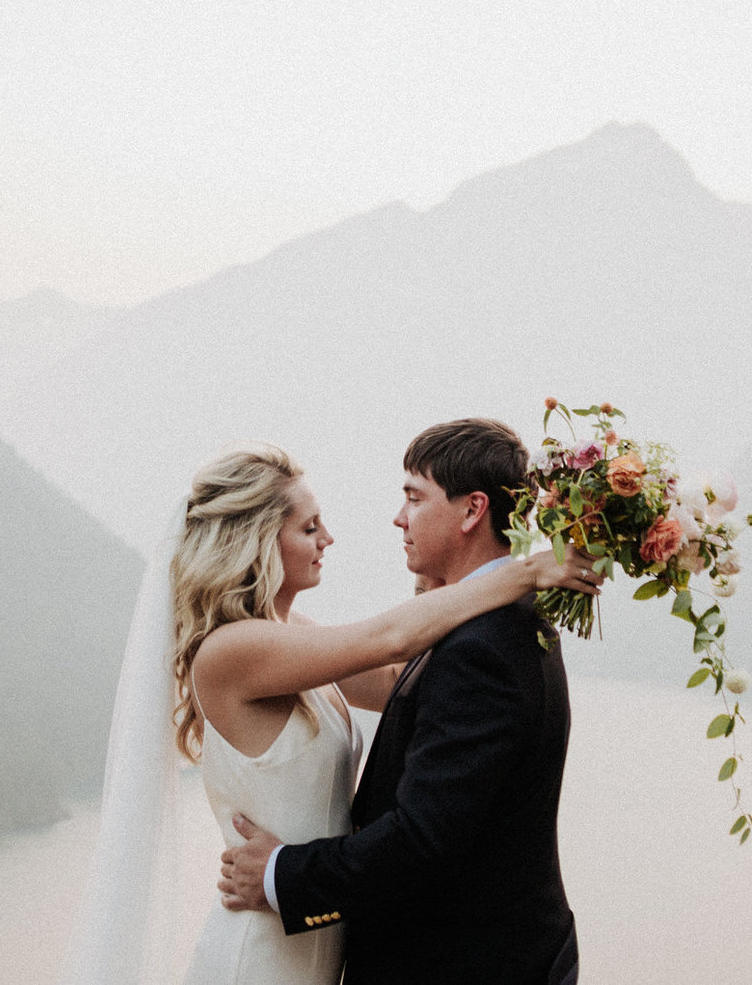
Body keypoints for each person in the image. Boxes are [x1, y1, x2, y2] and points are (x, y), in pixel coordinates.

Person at [65, 434, 600, 985]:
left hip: (318, 931)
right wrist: (519, 572)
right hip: (267, 944)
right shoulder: (234, 651)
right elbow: (390, 641)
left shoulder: (293, 638)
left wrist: (441, 588)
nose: (328, 538)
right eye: (308, 527)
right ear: (258, 540)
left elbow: (399, 677)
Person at [214, 418, 586, 985]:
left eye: (414, 497)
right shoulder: (481, 626)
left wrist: (281, 875)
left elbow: (421, 841)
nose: (398, 517)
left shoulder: (477, 647)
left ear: (472, 510)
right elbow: (383, 657)